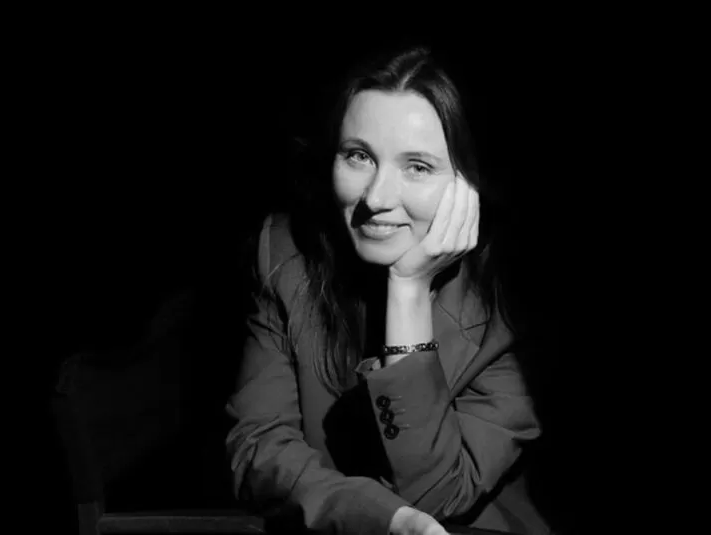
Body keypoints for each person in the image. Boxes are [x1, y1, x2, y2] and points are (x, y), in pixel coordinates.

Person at [226, 45, 549, 535]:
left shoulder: (506, 297)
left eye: (417, 166)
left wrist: (409, 291)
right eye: (358, 156)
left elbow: (438, 497)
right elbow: (258, 450)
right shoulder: (287, 253)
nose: (376, 198)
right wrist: (376, 515)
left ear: (468, 184)